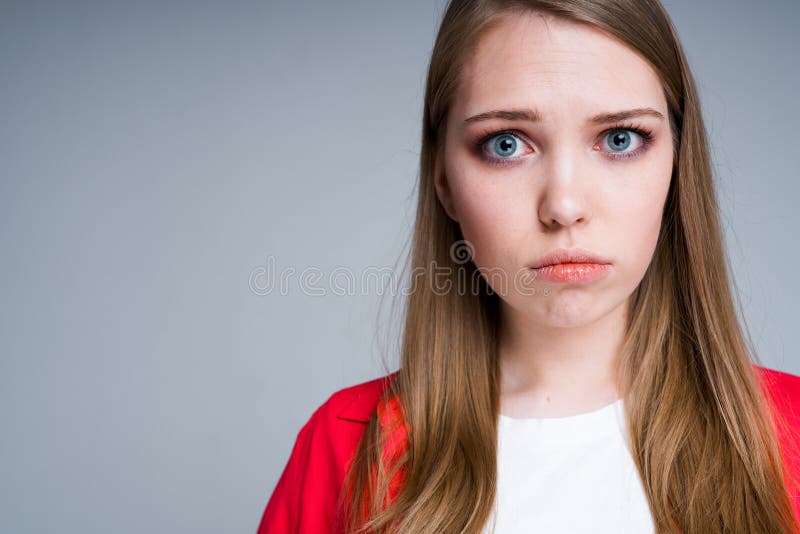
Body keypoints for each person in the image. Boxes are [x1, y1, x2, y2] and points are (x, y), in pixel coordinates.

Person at [257, 0, 800, 532]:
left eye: (620, 139)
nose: (564, 205)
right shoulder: (343, 447)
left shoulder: (791, 434)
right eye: (507, 143)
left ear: (677, 165)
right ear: (443, 180)